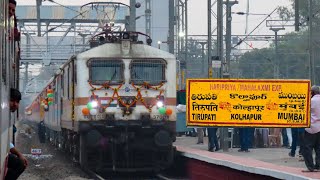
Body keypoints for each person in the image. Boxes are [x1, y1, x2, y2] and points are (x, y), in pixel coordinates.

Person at [5, 88, 28, 180]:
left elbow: (7, 143)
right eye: (12, 101)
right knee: (19, 164)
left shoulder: (7, 115)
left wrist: (19, 154)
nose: (15, 104)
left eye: (17, 101)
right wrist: (19, 154)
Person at [302, 85, 320, 172]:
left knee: (307, 148)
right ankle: (318, 166)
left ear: (312, 92)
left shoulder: (311, 101)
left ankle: (310, 166)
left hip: (311, 127)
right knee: (319, 148)